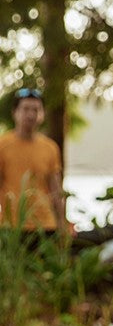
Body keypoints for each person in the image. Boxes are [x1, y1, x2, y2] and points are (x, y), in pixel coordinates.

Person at [0, 87, 67, 238]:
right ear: (15, 112)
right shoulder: (2, 145)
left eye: (36, 109)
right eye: (26, 109)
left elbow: (56, 189)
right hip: (12, 226)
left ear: (42, 114)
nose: (31, 114)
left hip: (46, 225)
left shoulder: (50, 147)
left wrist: (62, 223)